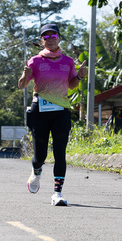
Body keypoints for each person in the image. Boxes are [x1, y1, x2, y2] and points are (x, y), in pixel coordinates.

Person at [18, 22, 87, 206]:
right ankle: (36, 171)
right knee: (40, 155)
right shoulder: (35, 61)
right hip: (39, 111)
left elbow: (71, 85)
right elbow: (21, 85)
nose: (50, 39)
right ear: (42, 41)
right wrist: (25, 75)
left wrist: (80, 76)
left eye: (53, 36)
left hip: (61, 111)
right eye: (46, 37)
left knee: (60, 153)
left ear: (59, 39)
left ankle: (57, 193)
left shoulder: (68, 61)